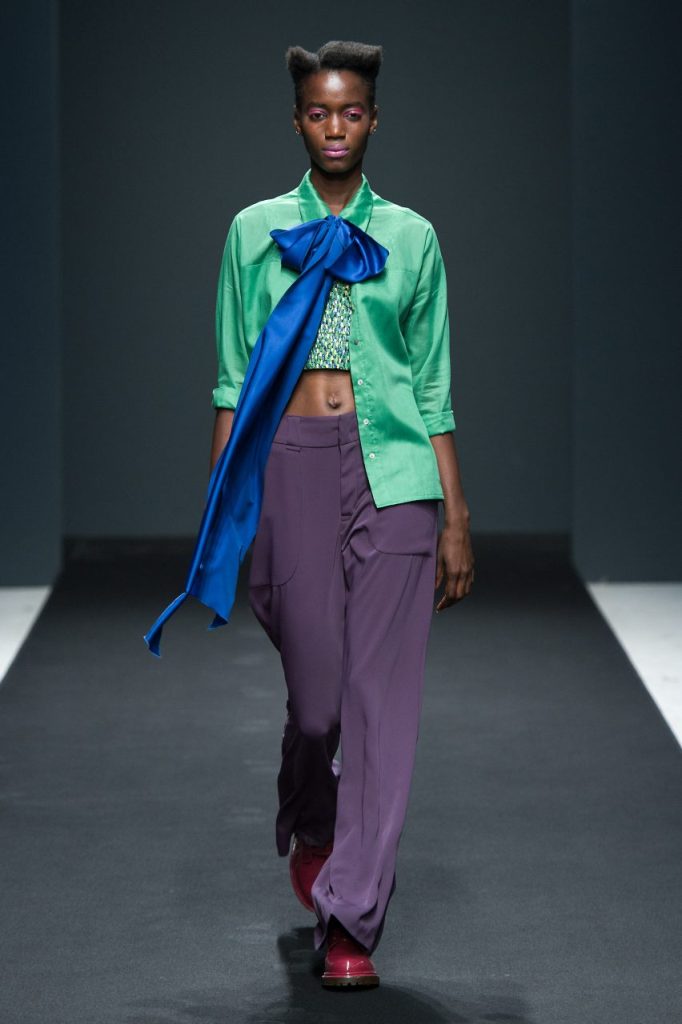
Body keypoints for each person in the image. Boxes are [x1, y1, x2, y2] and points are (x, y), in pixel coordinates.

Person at [209, 40, 474, 989]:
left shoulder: (413, 236)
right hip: (290, 464)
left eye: (351, 112)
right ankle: (314, 818)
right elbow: (233, 378)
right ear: (297, 120)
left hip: (395, 472)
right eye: (319, 112)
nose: (334, 127)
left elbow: (432, 386)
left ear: (373, 119)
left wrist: (454, 513)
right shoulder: (253, 231)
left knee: (380, 706)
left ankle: (352, 918)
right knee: (318, 703)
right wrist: (223, 509)